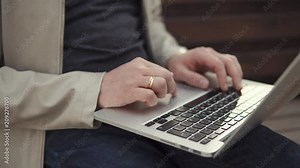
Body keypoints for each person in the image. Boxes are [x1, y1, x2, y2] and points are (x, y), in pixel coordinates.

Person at [0, 0, 299, 167]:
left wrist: (172, 58)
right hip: (64, 123)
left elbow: (149, 29)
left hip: (162, 103)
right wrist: (96, 89)